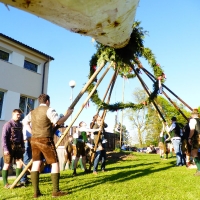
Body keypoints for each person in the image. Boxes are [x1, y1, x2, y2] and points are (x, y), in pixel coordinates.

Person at [22, 94, 73, 198]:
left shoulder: (32, 112)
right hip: (45, 139)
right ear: (47, 101)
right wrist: (68, 114)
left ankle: (36, 193)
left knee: (36, 163)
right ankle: (56, 191)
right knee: (54, 163)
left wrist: (32, 132)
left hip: (34, 139)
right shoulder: (49, 110)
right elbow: (58, 122)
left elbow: (24, 122)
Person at [1, 109, 25, 189]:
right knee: (7, 164)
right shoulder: (8, 124)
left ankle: (17, 182)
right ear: (13, 114)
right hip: (9, 147)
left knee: (20, 164)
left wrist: (23, 146)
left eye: (20, 114)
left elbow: (21, 137)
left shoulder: (20, 125)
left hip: (18, 147)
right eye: (18, 114)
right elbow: (4, 137)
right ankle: (6, 184)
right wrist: (5, 149)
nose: (19, 116)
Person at [188, 109, 200, 175]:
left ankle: (199, 170)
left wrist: (189, 138)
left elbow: (192, 130)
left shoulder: (192, 120)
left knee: (194, 153)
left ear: (192, 115)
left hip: (196, 137)